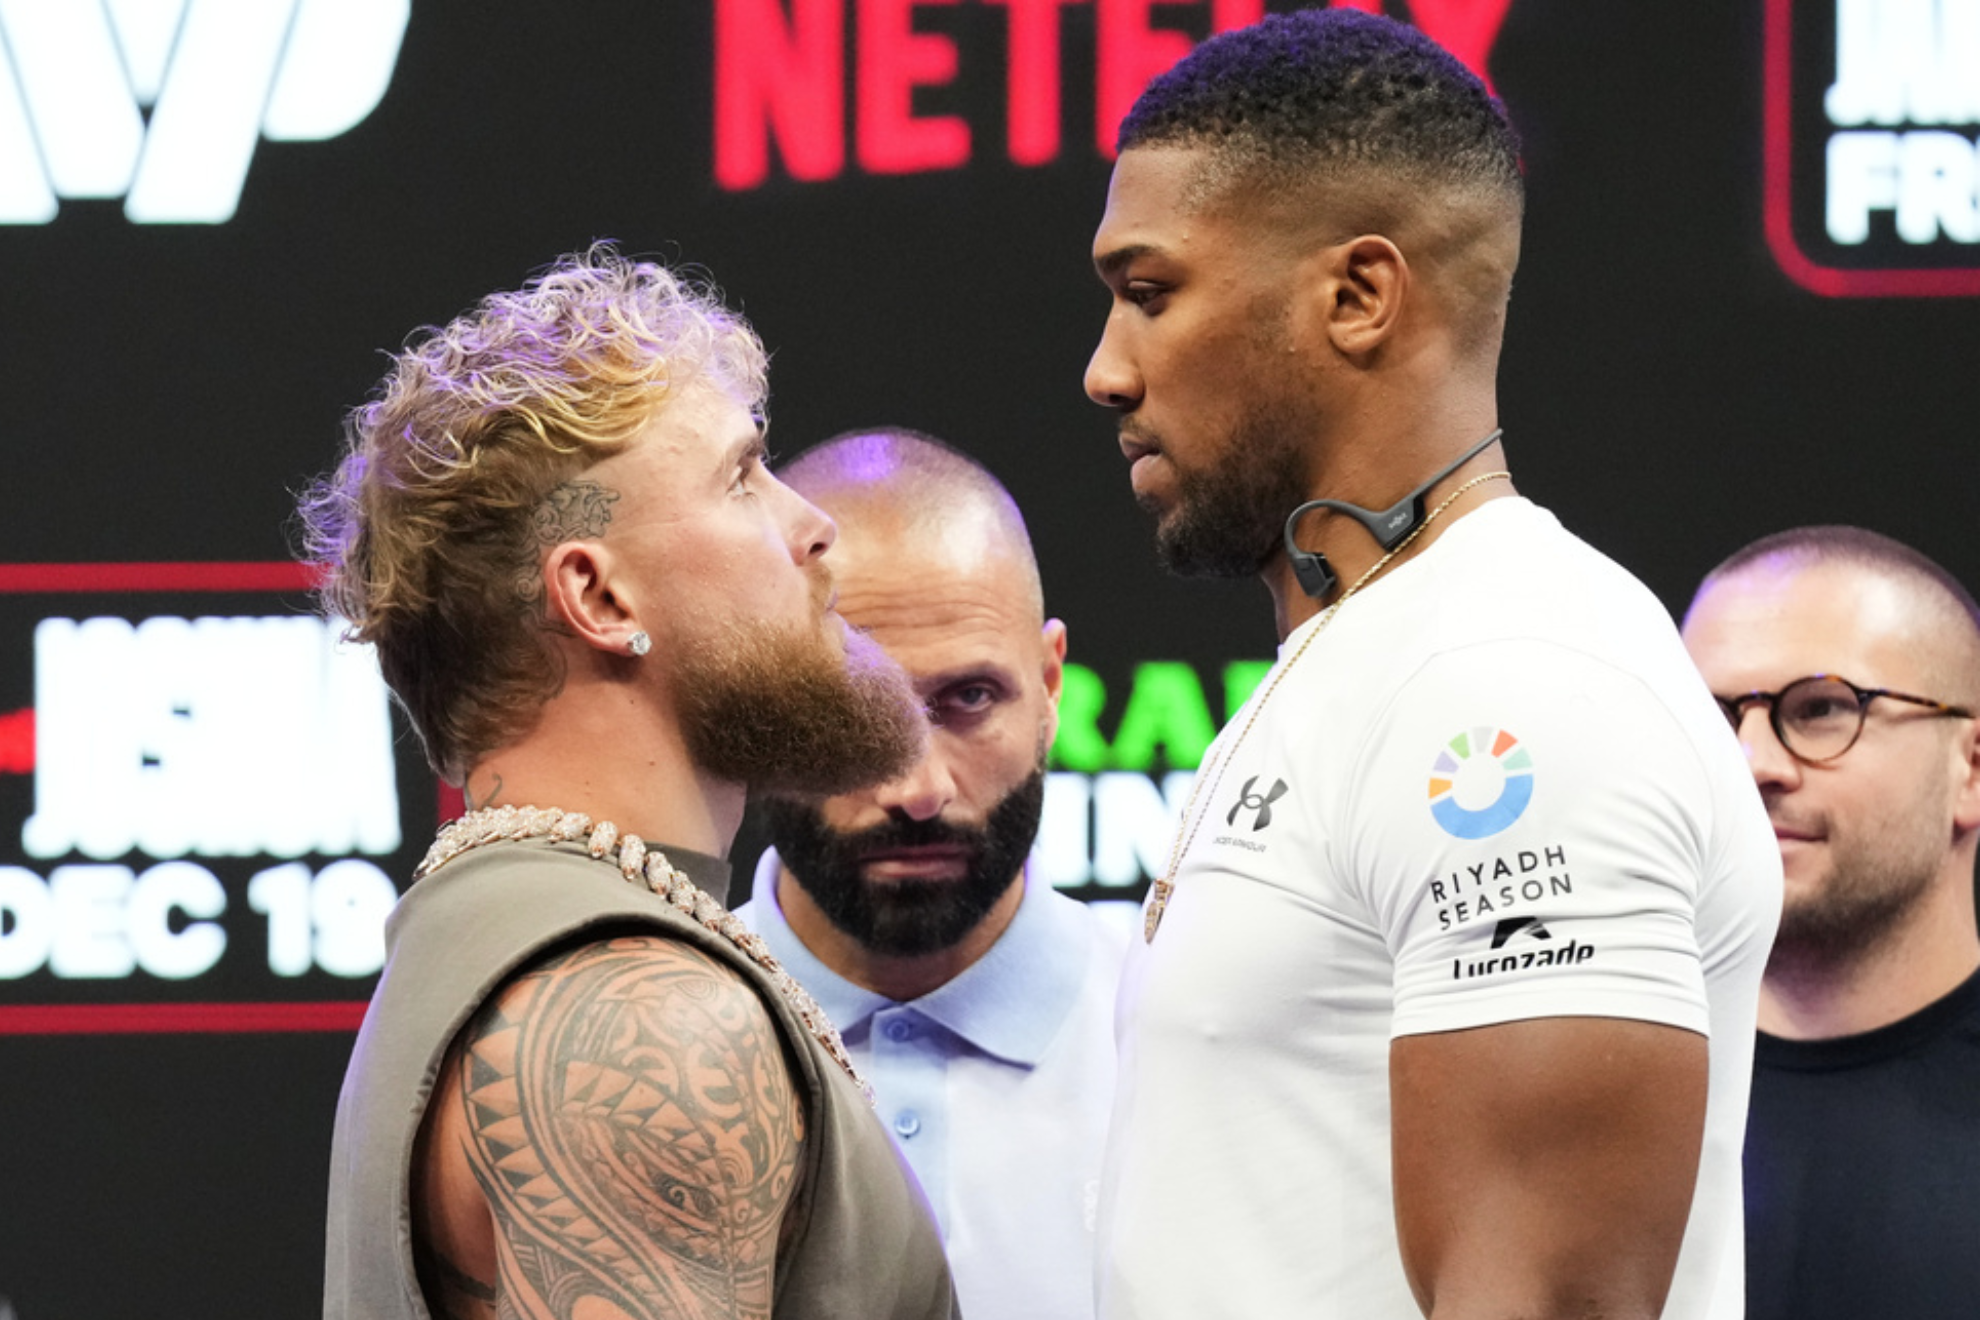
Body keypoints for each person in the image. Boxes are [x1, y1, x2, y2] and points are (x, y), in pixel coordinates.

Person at [1081, 10, 1780, 1319]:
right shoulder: (1372, 655)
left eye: (1151, 292)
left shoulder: (1507, 680)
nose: (1106, 372)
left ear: (1358, 297)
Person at [301, 249, 959, 1320]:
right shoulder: (642, 1021)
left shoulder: (505, 935)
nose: (813, 524)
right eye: (742, 477)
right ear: (598, 596)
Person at [737, 427, 1127, 1320]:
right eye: (848, 709)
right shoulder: (642, 1051)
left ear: (1051, 684)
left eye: (970, 700)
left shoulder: (1184, 1034)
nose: (917, 788)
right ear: (754, 707)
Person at [1680, 526, 1980, 1320]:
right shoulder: (1601, 1089)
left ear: (1972, 771)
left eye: (1820, 709)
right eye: (1707, 716)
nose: (1749, 764)